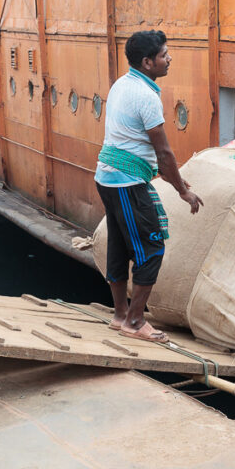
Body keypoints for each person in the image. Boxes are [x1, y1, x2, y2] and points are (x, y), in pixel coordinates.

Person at [94, 30, 204, 343]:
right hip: (126, 183)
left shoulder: (122, 84)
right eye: (164, 55)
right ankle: (135, 320)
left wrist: (172, 176)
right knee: (151, 250)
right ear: (147, 62)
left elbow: (133, 144)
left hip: (107, 177)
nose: (170, 59)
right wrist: (183, 190)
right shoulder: (147, 97)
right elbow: (164, 152)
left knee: (120, 245)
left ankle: (119, 316)